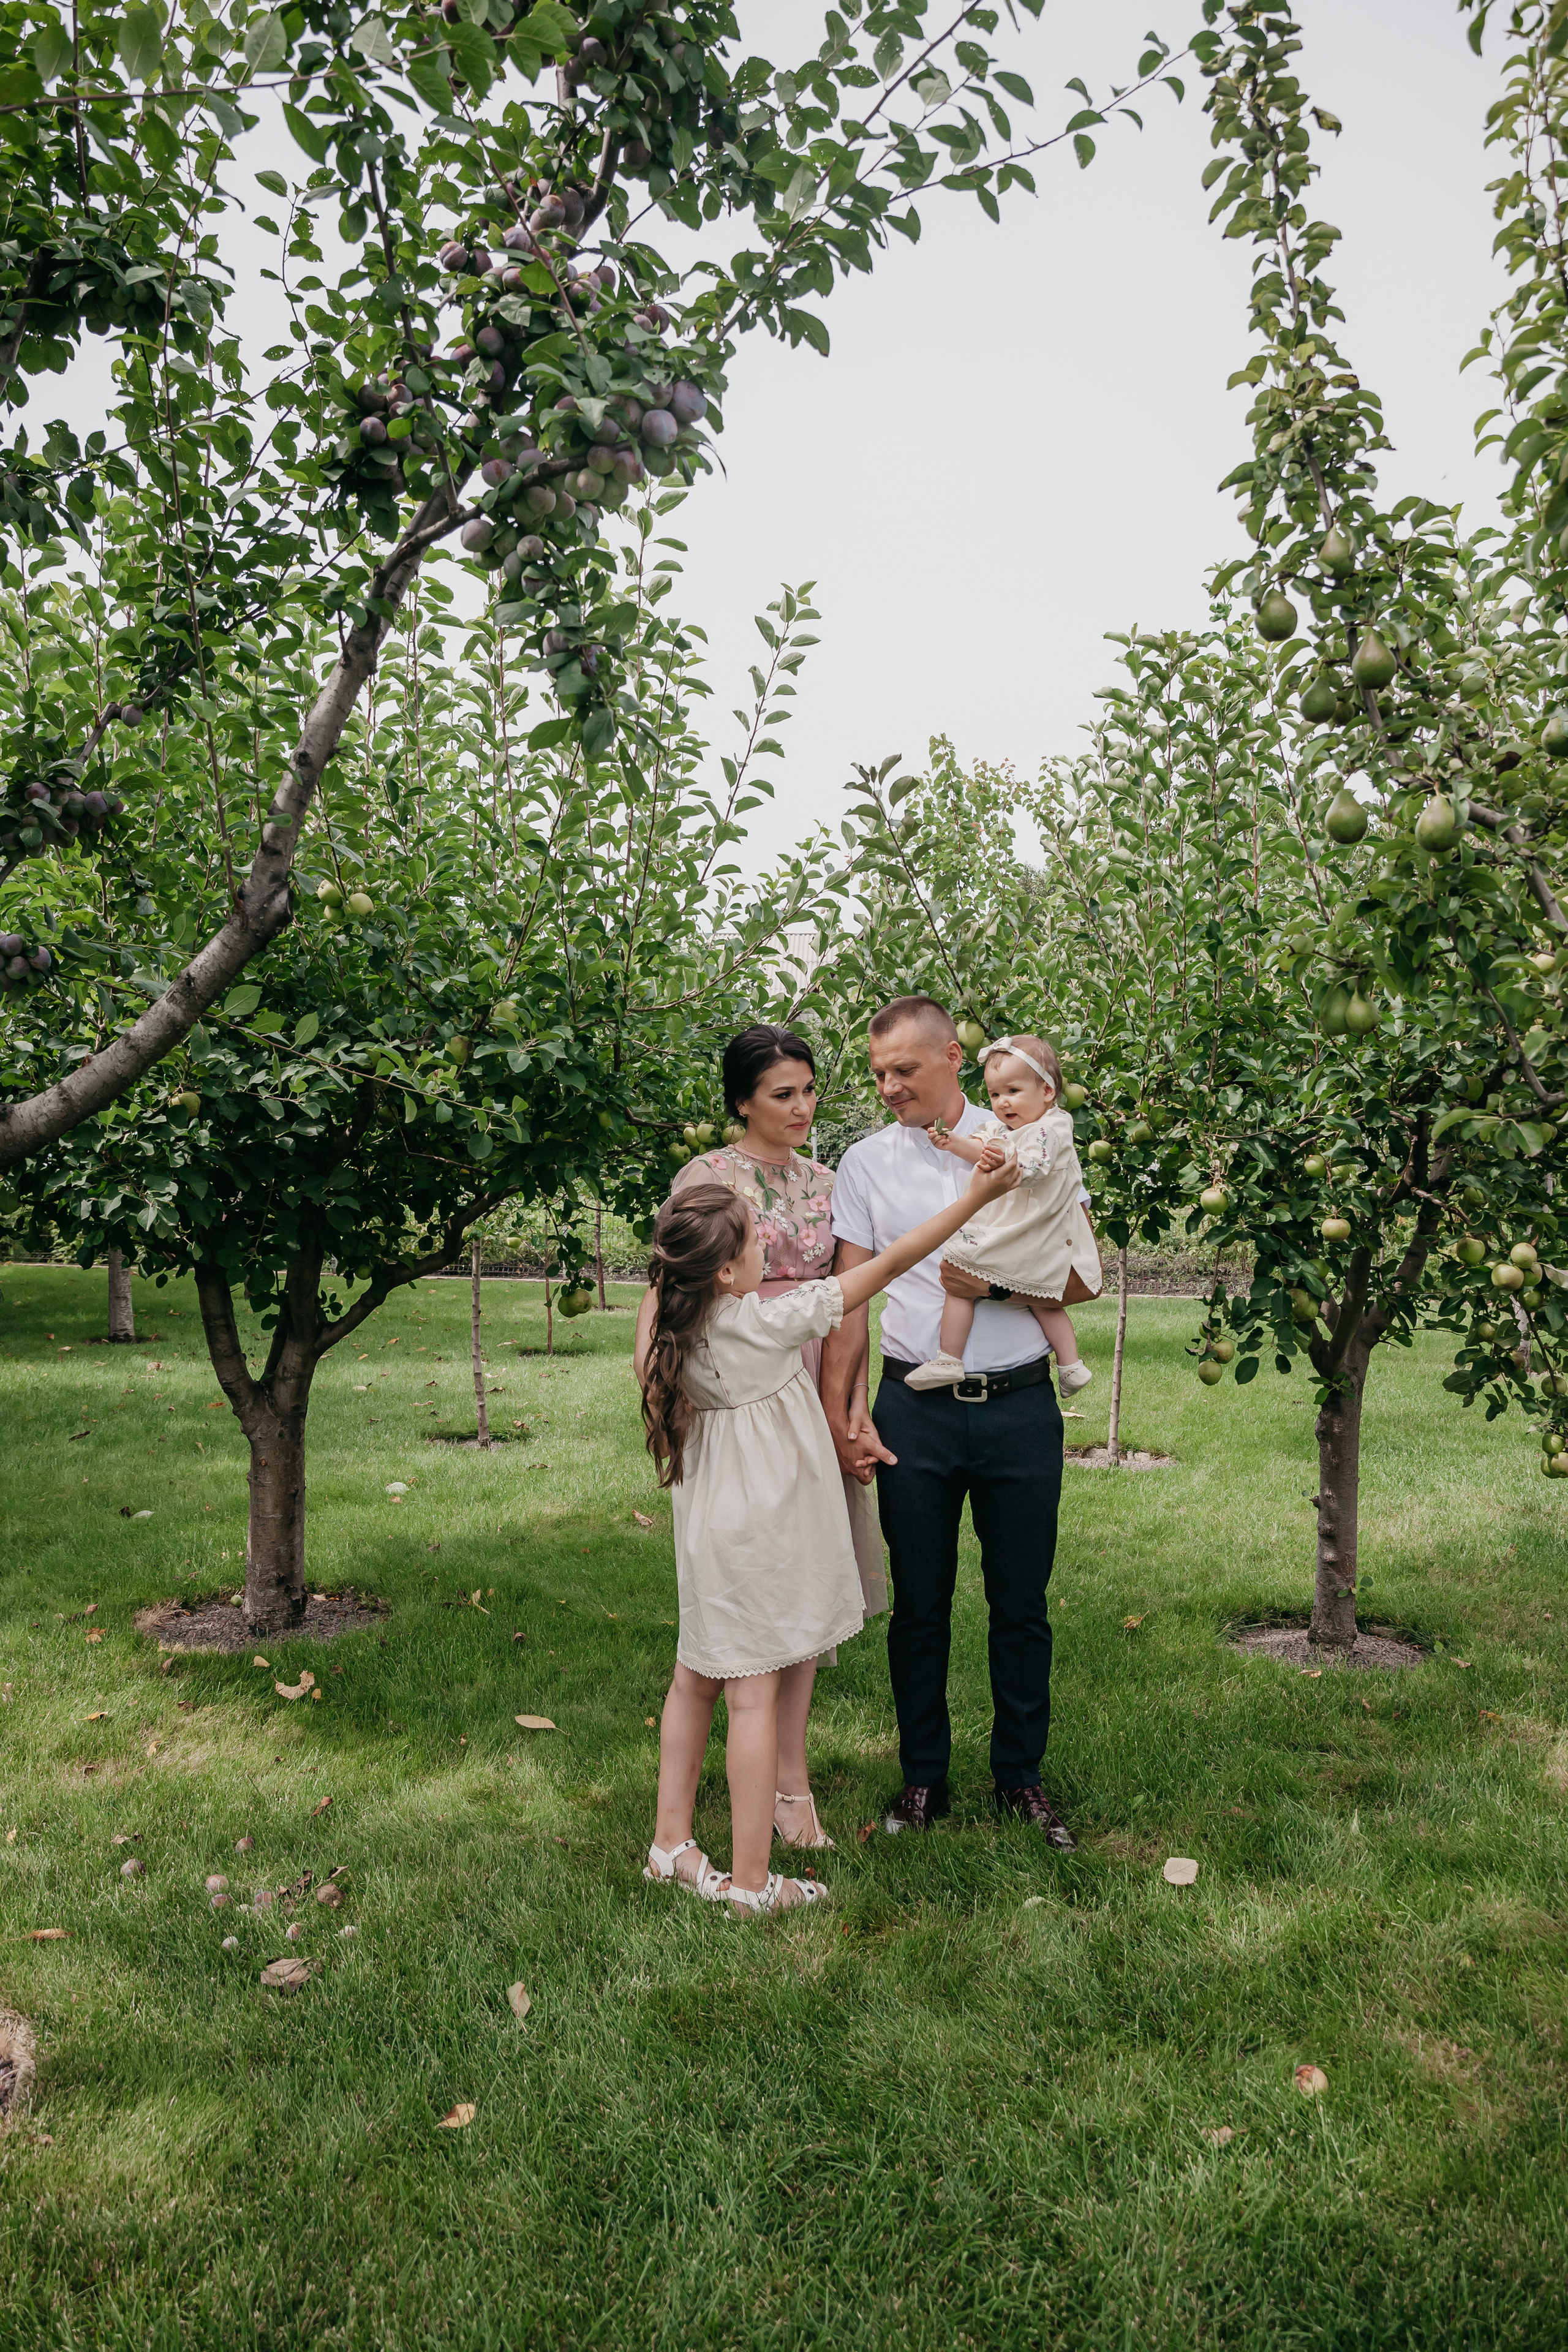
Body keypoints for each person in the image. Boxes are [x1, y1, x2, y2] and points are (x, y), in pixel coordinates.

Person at [636, 1151, 1019, 1915]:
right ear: (723, 1272)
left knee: (695, 1677)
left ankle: (669, 1844)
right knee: (752, 1697)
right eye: (754, 1245)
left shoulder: (677, 1329)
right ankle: (751, 1883)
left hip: (710, 1527)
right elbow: (892, 1260)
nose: (765, 1255)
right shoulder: (763, 1321)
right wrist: (973, 1199)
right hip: (762, 1534)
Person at [820, 995, 1078, 1847]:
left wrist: (992, 1287)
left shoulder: (1030, 1139)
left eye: (905, 1070)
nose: (890, 1087)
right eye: (879, 1074)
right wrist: (845, 1407)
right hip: (914, 1413)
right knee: (919, 1608)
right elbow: (852, 1299)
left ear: (953, 1059)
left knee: (1021, 1605)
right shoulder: (864, 1165)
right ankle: (922, 1781)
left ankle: (1021, 1779)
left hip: (1019, 1406)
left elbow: (1074, 1269)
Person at [636, 1024, 883, 1860]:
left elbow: (850, 1295)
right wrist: (659, 1391)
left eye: (811, 1091)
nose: (803, 1108)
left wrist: (843, 1399)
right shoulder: (708, 1176)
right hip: (736, 1385)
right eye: (784, 1094)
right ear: (742, 1100)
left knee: (809, 1584)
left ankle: (790, 1777)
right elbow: (666, 1292)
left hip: (813, 1368)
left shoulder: (829, 1178)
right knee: (757, 1586)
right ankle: (746, 1799)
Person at [907, 1032, 1101, 1394]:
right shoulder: (1001, 1129)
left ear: (1046, 1092)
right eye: (995, 1095)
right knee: (1034, 1294)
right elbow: (980, 1148)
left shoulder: (1051, 1128)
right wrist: (954, 1143)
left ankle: (951, 1358)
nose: (1002, 1102)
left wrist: (1004, 1161)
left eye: (1013, 1091)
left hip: (1035, 1228)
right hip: (1021, 1227)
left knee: (962, 1272)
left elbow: (1034, 1169)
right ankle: (1071, 1366)